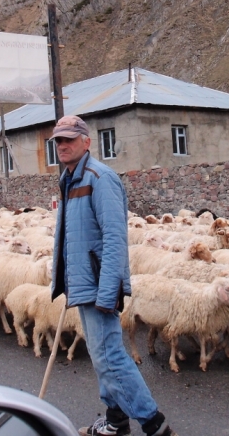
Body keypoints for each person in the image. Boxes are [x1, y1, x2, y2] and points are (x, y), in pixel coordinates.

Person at [50, 115, 176, 436]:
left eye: (69, 139)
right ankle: (116, 421)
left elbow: (114, 238)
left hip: (99, 286)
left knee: (110, 357)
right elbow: (75, 237)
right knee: (101, 356)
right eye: (58, 141)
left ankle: (154, 424)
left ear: (86, 142)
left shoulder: (99, 178)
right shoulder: (70, 179)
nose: (63, 145)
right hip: (85, 283)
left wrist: (108, 292)